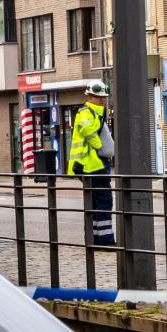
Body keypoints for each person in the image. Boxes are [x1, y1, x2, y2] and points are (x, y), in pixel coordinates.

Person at [67, 81, 115, 246]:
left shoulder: (96, 113)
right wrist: (100, 147)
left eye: (103, 97)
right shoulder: (87, 112)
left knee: (96, 203)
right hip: (93, 165)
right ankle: (106, 240)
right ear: (89, 96)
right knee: (104, 201)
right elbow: (87, 130)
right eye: (98, 97)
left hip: (93, 165)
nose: (102, 100)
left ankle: (96, 239)